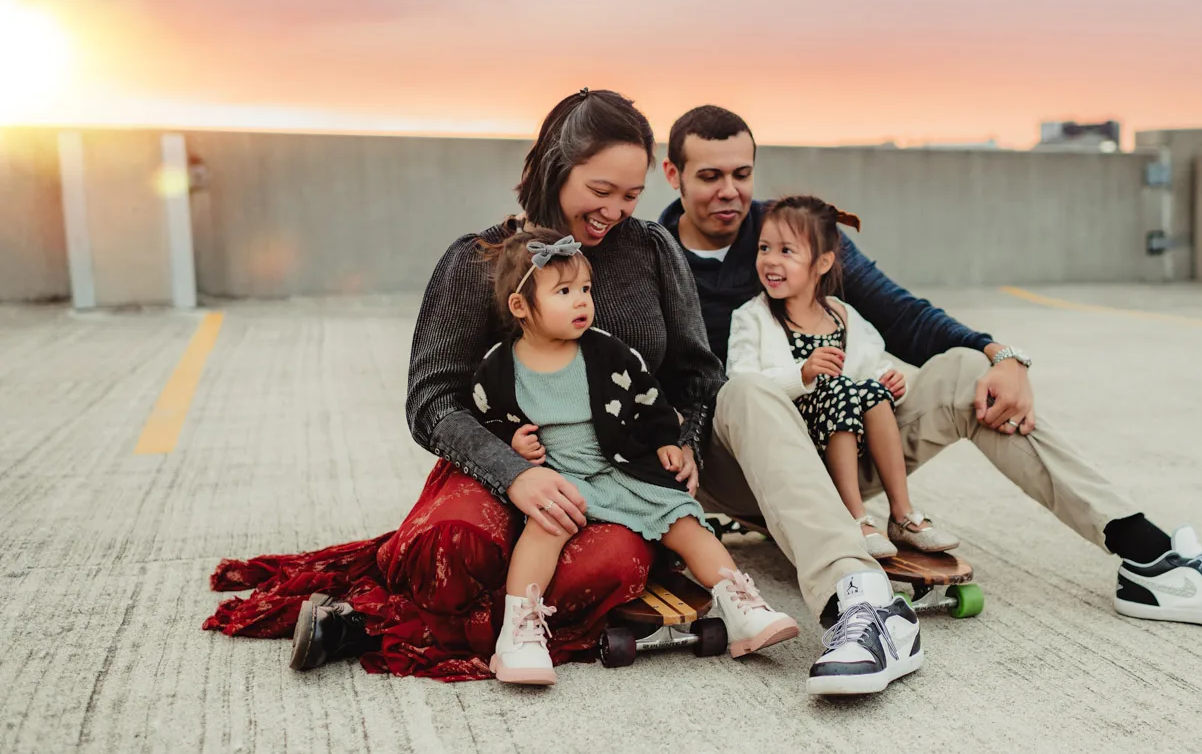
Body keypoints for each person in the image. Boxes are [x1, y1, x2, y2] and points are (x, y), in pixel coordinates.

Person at [661, 105, 1202, 634]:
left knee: (969, 371)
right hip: (734, 468)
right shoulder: (655, 260)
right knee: (740, 391)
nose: (730, 191)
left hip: (841, 446)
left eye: (741, 173)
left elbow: (905, 316)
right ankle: (856, 601)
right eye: (710, 176)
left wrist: (1002, 356)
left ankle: (1150, 559)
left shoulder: (794, 233)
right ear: (673, 175)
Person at [204, 88, 726, 680]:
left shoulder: (651, 250)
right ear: (555, 167)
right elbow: (432, 400)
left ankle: (362, 624)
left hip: (615, 476)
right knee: (454, 544)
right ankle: (479, 619)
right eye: (600, 191)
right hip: (503, 459)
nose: (615, 210)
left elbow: (698, 372)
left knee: (604, 567)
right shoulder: (477, 260)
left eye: (631, 195)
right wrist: (514, 472)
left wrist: (686, 438)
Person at [478, 227, 797, 684]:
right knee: (545, 525)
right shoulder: (499, 367)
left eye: (585, 289)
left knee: (684, 519)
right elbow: (483, 418)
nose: (581, 301)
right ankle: (520, 632)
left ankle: (740, 604)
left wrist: (667, 438)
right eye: (564, 291)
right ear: (521, 307)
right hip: (558, 476)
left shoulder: (609, 353)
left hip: (620, 469)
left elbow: (649, 397)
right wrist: (511, 443)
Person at [727, 195, 959, 559]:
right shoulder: (752, 317)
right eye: (764, 248)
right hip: (792, 440)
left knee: (872, 392)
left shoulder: (841, 315)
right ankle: (854, 518)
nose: (771, 260)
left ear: (822, 263)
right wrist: (801, 373)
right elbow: (741, 385)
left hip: (847, 432)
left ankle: (902, 515)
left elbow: (871, 363)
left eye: (787, 251)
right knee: (838, 390)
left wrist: (890, 382)